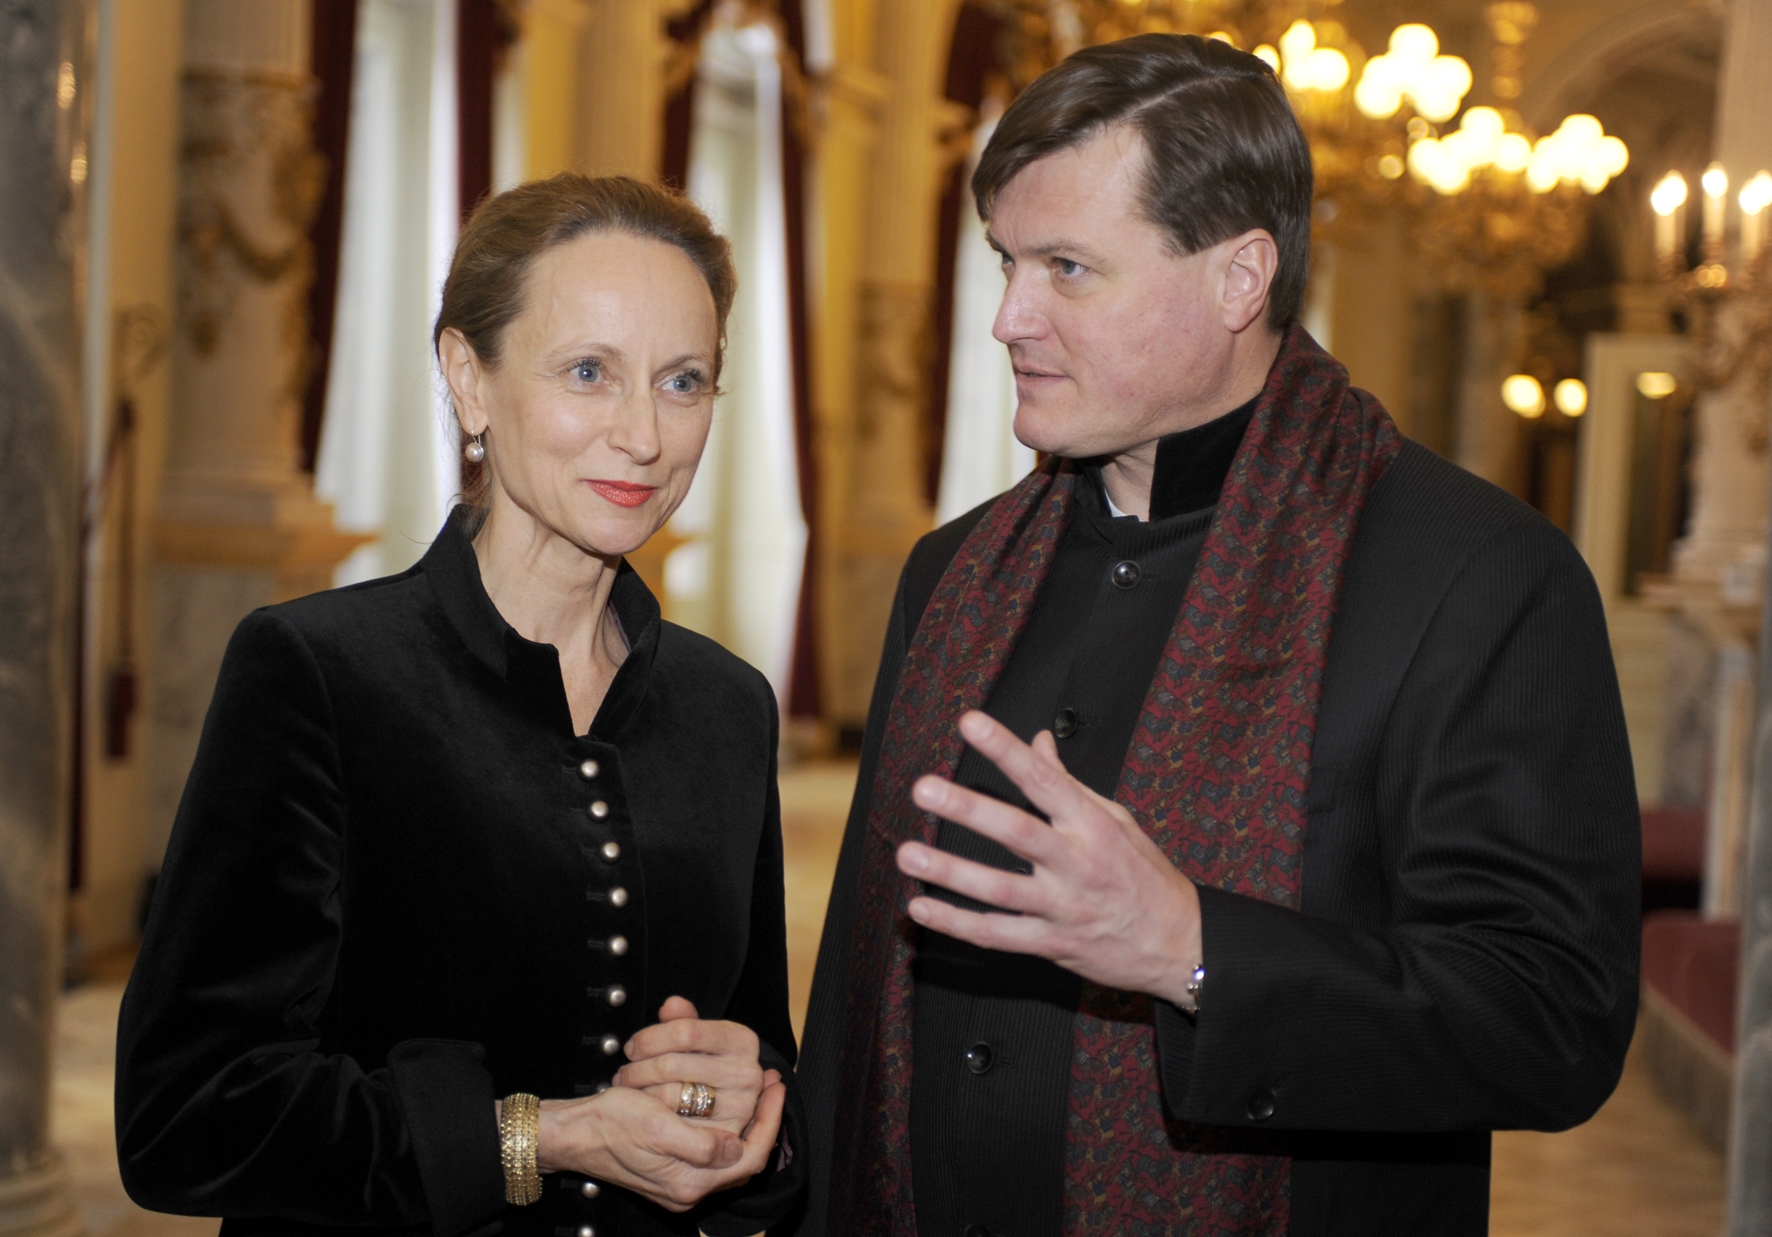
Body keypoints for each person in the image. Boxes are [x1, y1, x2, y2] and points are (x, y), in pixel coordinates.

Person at [792, 34, 1639, 1237]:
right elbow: (857, 985)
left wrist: (1190, 948)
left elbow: (1550, 1021)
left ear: (1239, 278)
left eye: (1067, 268)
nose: (1007, 318)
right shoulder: (953, 569)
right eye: (1004, 262)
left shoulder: (1476, 575)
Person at [116, 174, 804, 1237]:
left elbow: (765, 1091)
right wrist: (546, 1136)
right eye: (588, 372)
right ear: (469, 379)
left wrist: (748, 1112)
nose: (643, 434)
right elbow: (186, 1115)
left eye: (683, 381)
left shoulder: (729, 706)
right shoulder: (319, 672)